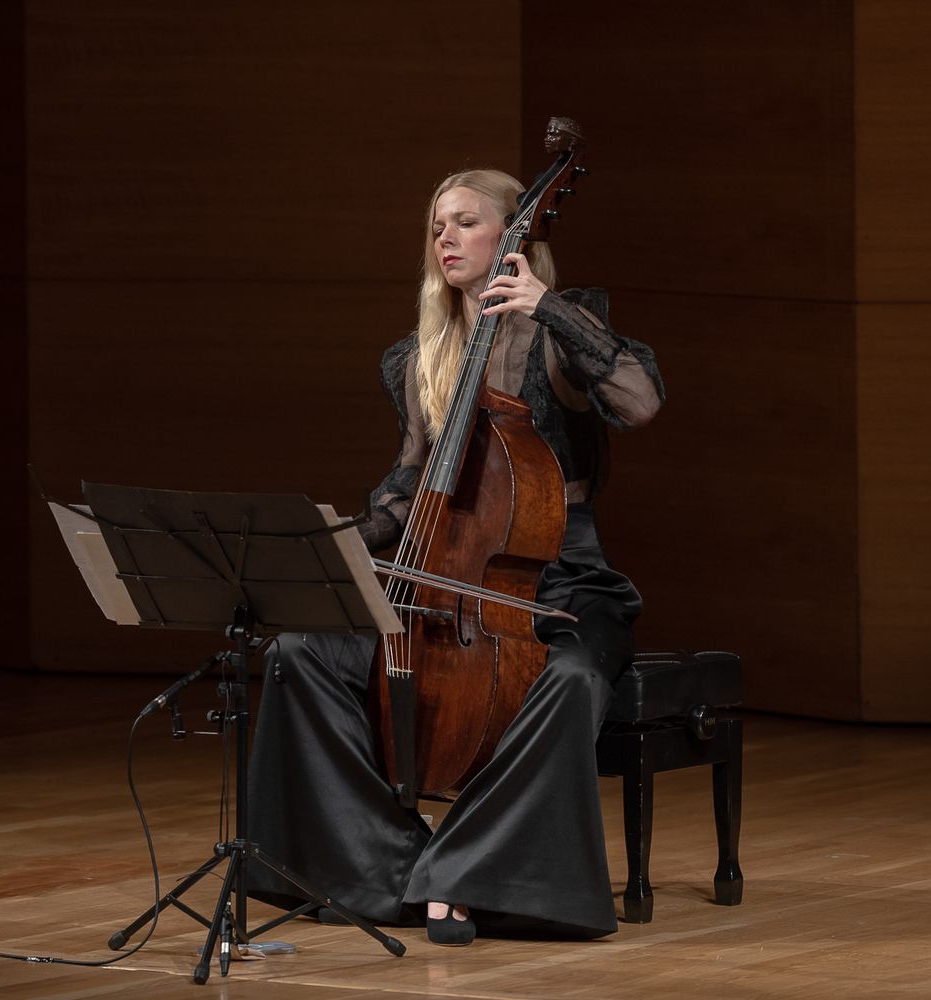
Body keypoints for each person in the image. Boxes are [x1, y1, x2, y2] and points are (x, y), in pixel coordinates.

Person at [246, 167, 663, 946]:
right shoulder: (420, 358)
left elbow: (640, 402)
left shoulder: (558, 335)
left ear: (515, 234)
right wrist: (332, 543)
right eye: (437, 225)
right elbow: (407, 492)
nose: (446, 237)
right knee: (300, 654)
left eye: (466, 221)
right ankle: (388, 868)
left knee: (571, 678)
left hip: (566, 586)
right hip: (441, 580)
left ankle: (473, 872)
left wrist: (548, 305)